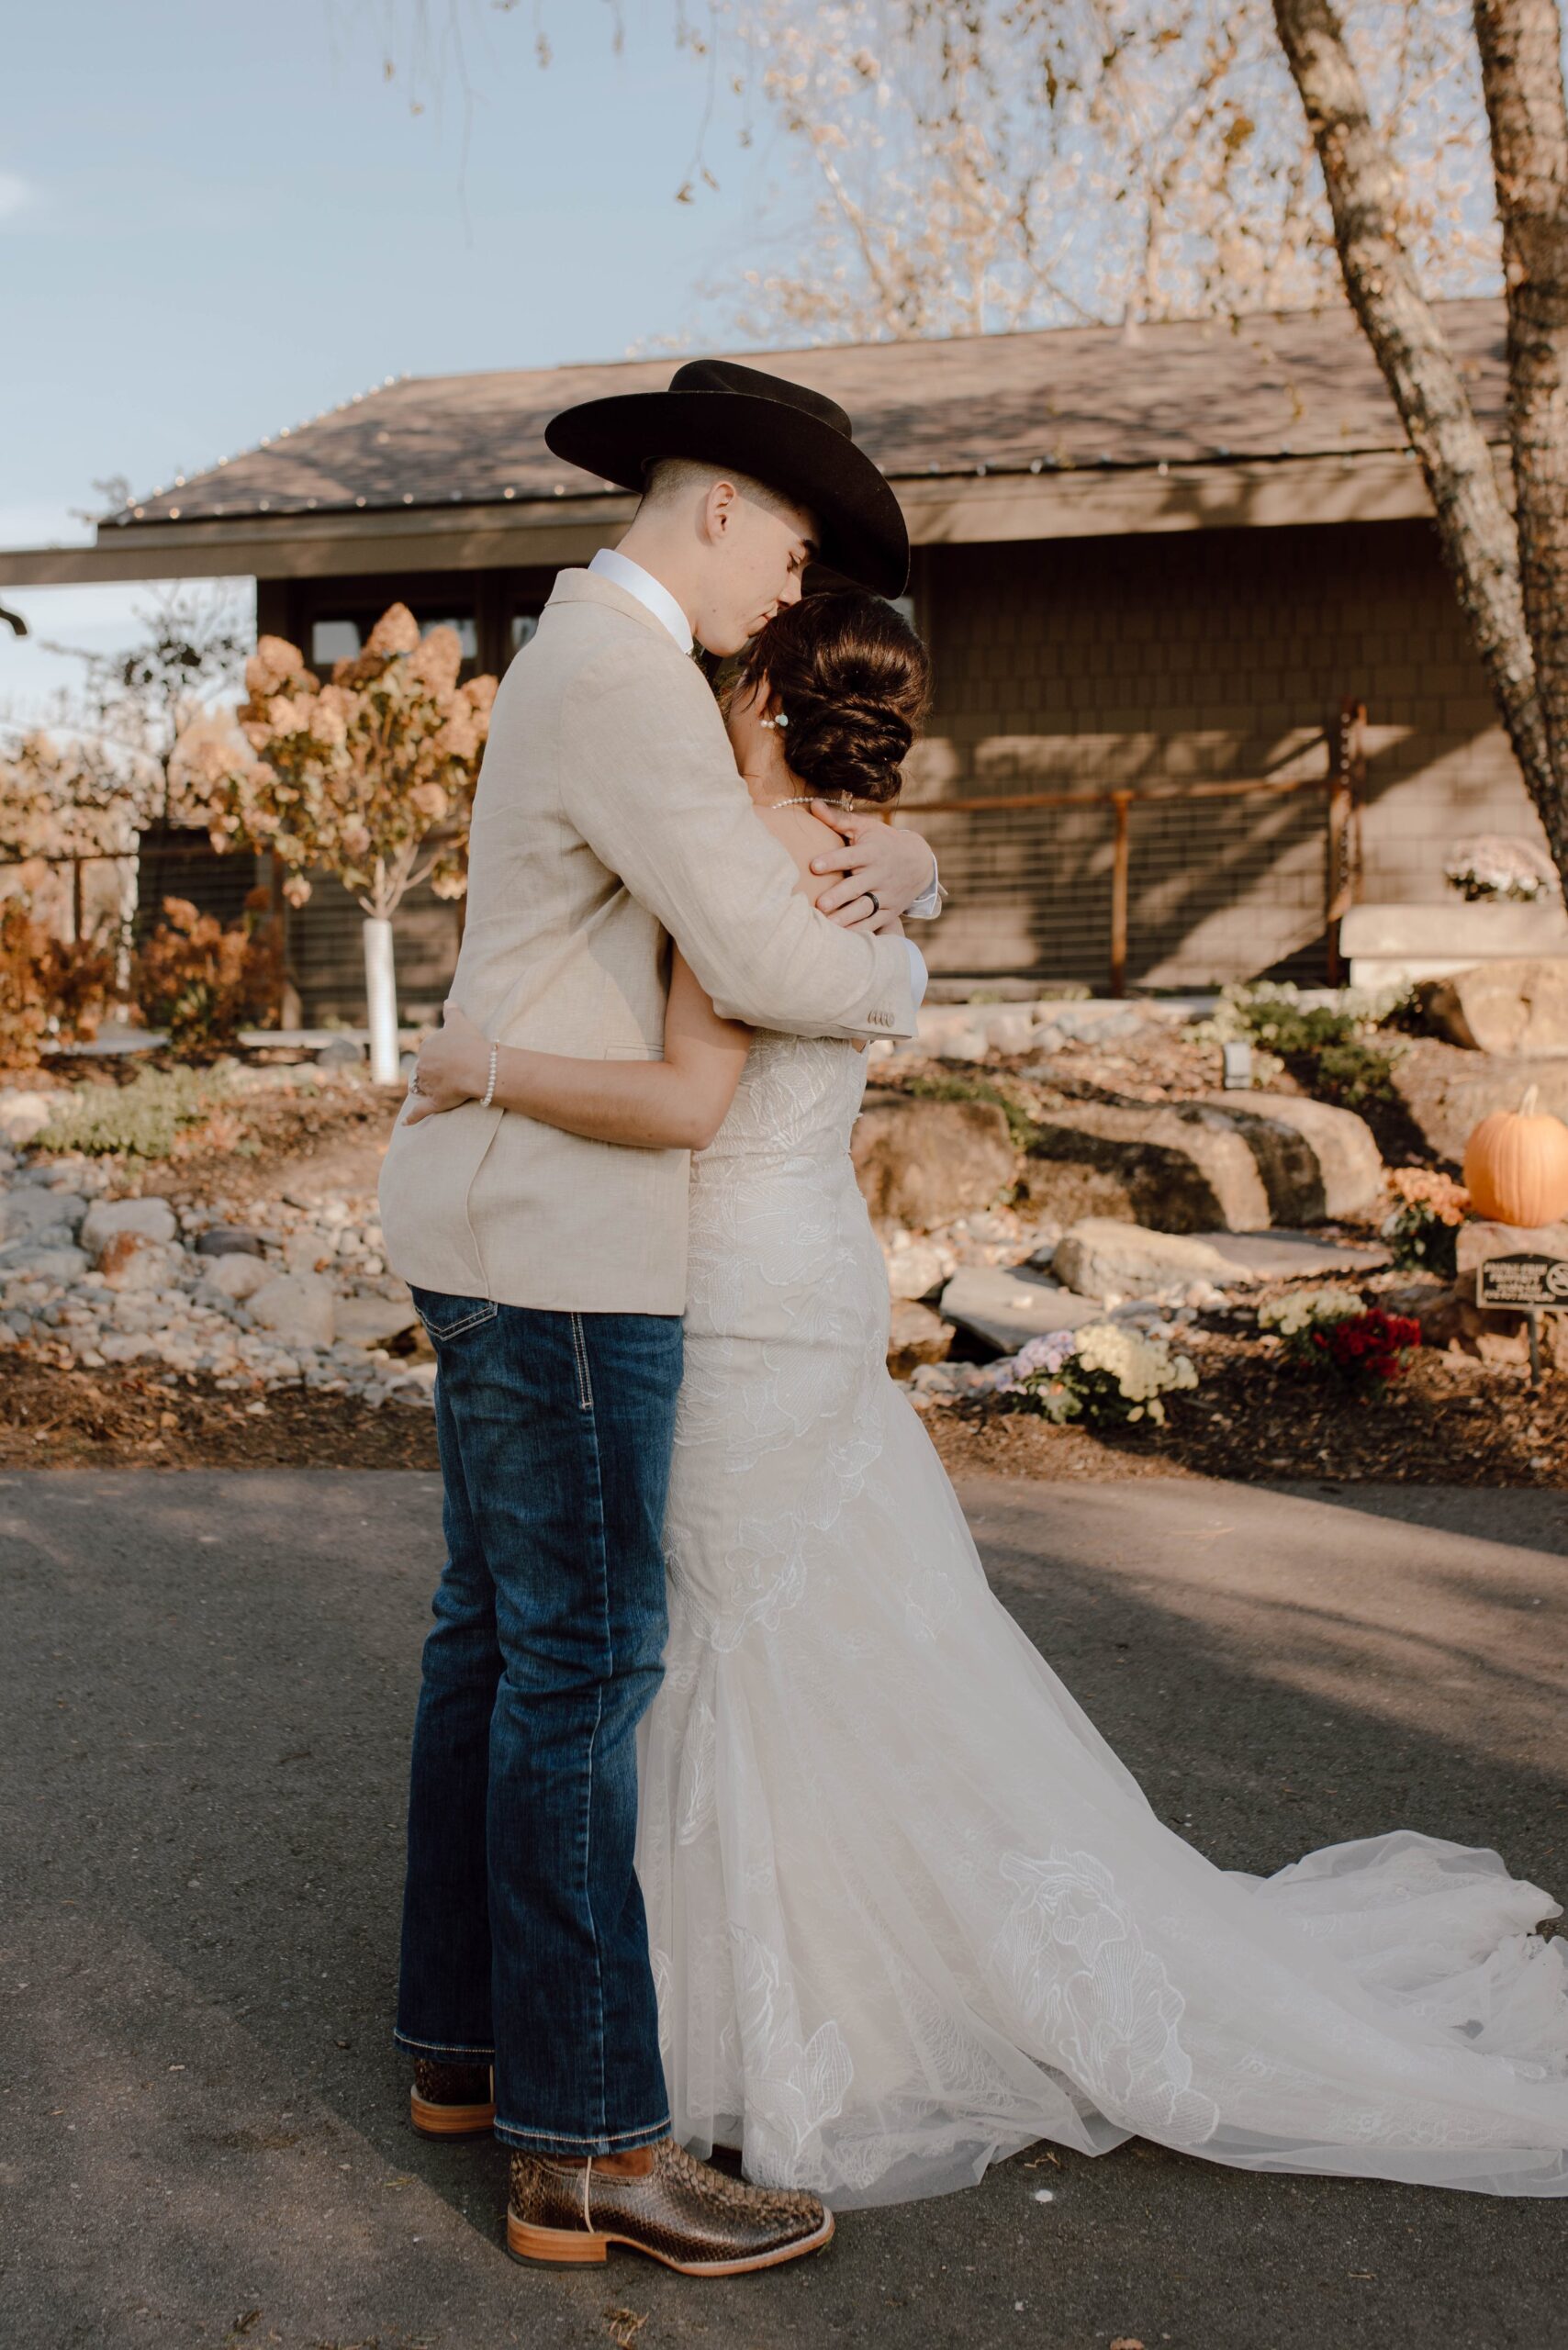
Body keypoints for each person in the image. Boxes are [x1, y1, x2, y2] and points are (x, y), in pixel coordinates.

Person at [410, 583, 1568, 2215]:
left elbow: (684, 1102)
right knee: (792, 1636)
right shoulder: (863, 855)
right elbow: (867, 988)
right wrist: (923, 884)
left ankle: (716, 2033)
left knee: (699, 1642)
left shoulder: (730, 865)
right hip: (813, 1277)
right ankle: (686, 2013)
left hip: (735, 1299)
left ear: (754, 702)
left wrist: (484, 1068)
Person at [377, 357, 946, 2276]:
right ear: (716, 508)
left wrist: (908, 854)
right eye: (789, 545)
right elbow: (772, 949)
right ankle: (592, 2144)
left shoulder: (586, 659)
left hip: (501, 1214)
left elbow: (764, 887)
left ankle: (461, 2044)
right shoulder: (625, 676)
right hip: (561, 1239)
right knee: (581, 1667)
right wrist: (907, 957)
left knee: (491, 1640)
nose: (793, 591)